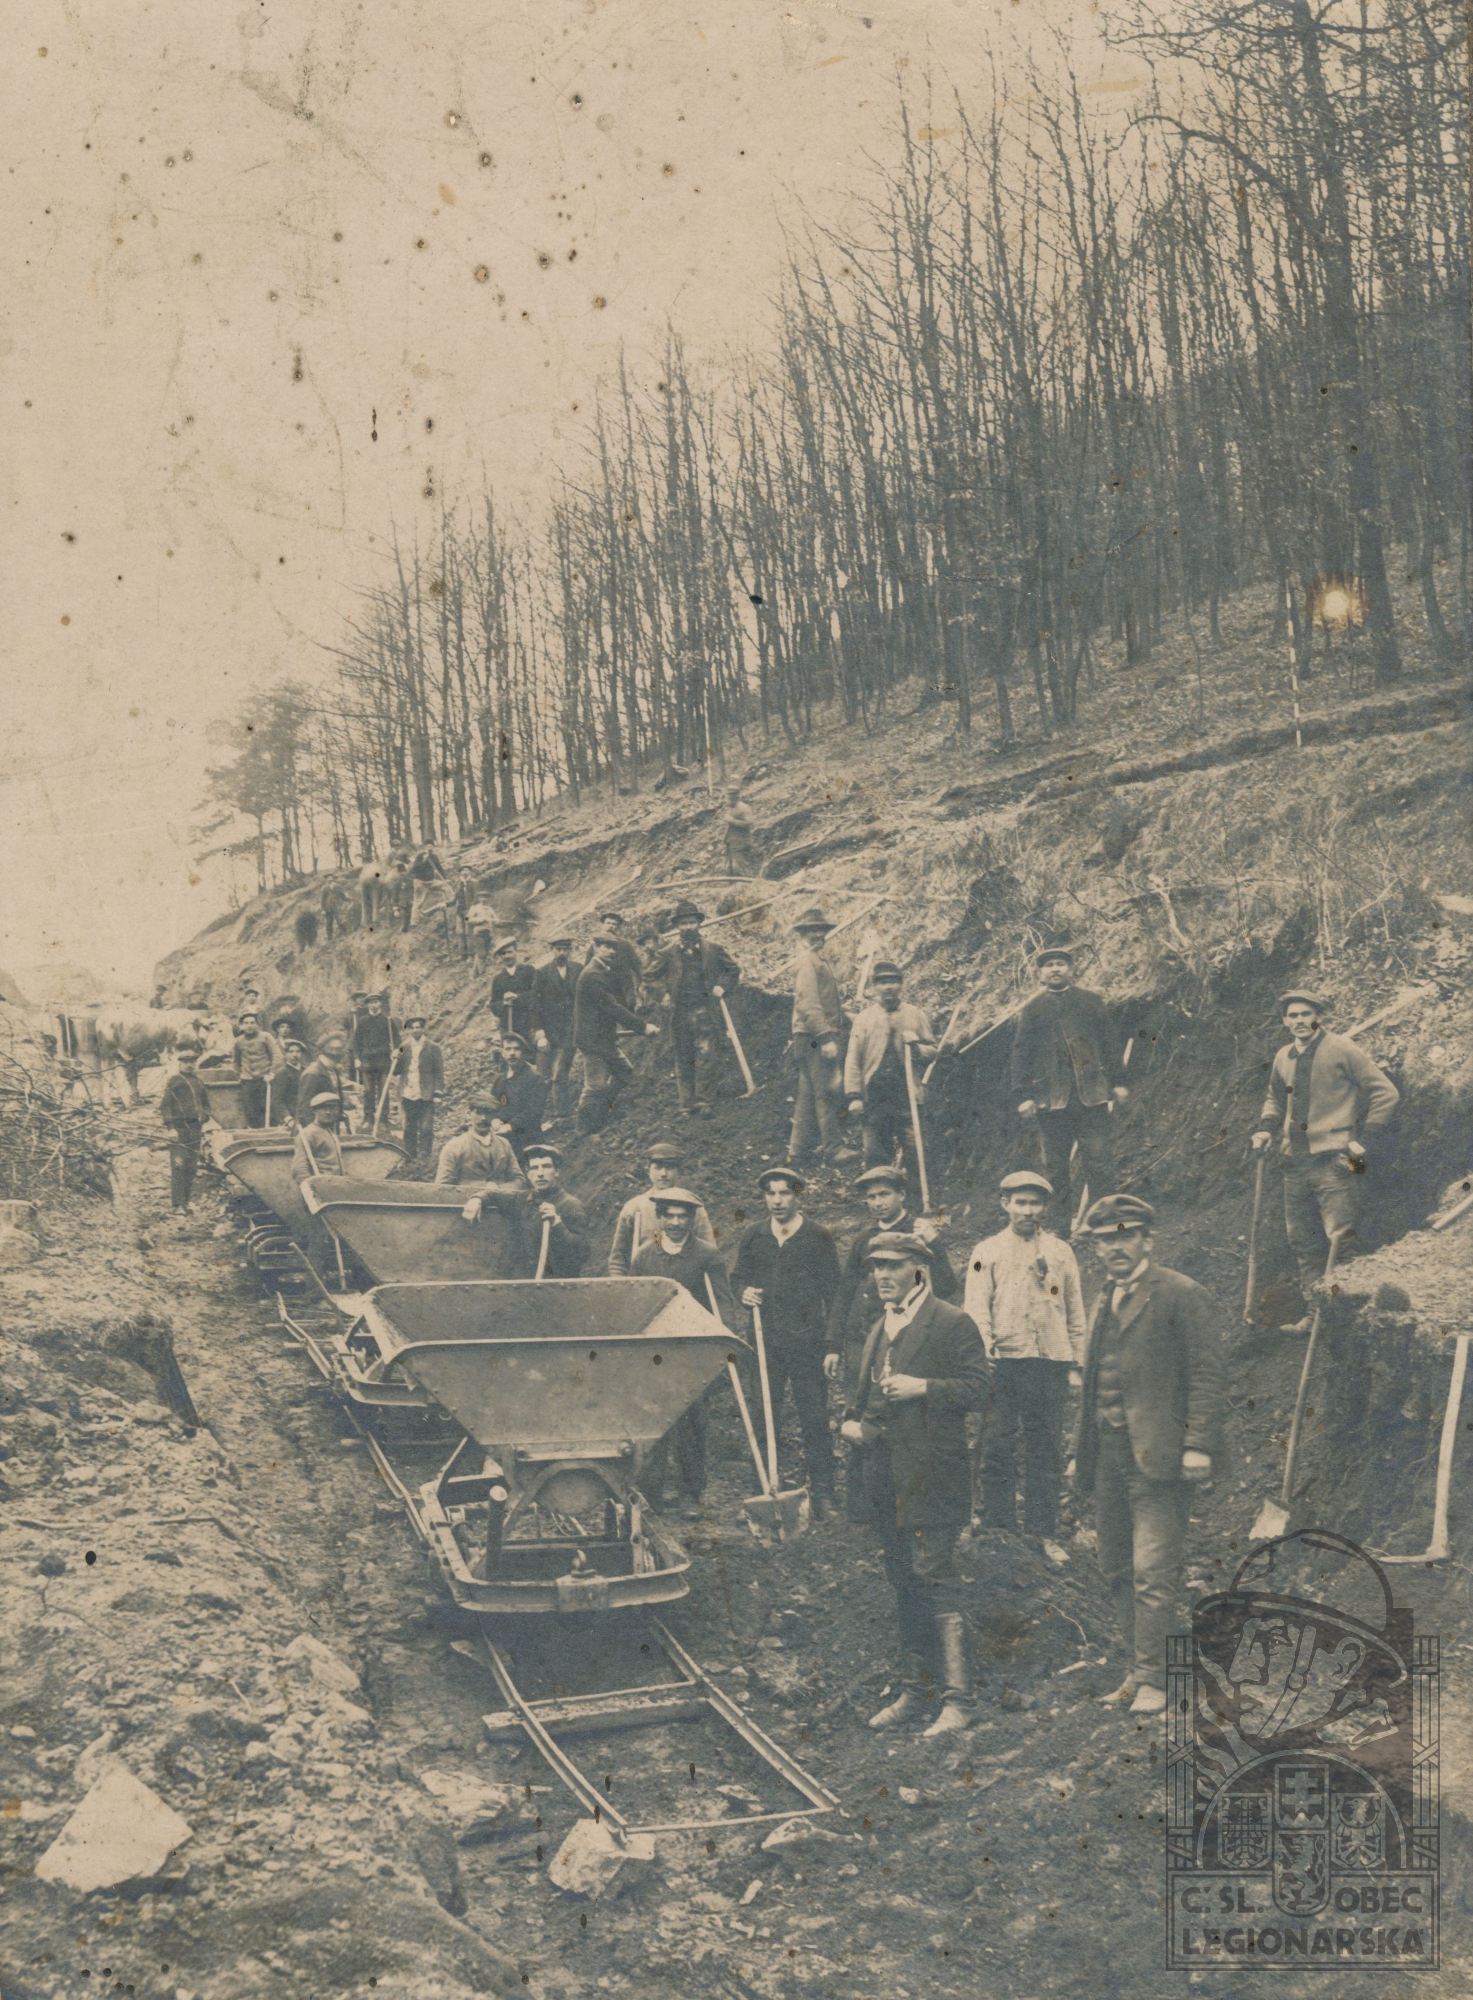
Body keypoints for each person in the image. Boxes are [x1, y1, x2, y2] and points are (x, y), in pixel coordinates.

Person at [1072, 1194, 1225, 1717]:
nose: (1114, 1248)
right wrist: (1080, 1450)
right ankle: (1138, 1671)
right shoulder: (1102, 1297)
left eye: (1125, 1236)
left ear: (1147, 1240)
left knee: (1153, 1571)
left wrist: (1197, 1444)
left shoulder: (1181, 1293)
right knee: (1115, 1565)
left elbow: (1207, 1374)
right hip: (1108, 1454)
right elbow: (1095, 1380)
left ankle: (1157, 1680)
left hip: (1160, 1456)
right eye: (1104, 1240)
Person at [841, 1233, 989, 1738]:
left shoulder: (951, 1322)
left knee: (935, 1576)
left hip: (933, 1476)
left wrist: (924, 1387)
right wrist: (855, 1425)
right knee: (904, 1580)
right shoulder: (879, 1326)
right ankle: (916, 1691)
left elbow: (980, 1389)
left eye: (893, 1266)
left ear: (919, 1270)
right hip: (885, 1477)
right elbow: (870, 1401)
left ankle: (959, 1699)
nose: (882, 1276)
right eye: (876, 1267)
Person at [1251, 989, 1399, 1328]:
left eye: (1306, 1014)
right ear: (1284, 1021)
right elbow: (1274, 1097)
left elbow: (1386, 1093)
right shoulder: (1283, 1057)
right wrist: (1265, 1129)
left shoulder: (1342, 1049)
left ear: (1318, 1017)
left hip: (1339, 1161)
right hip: (1295, 1164)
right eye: (1293, 1015)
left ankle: (1345, 1321)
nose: (1300, 1021)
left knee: (1342, 1240)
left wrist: (1365, 1141)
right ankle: (1315, 1316)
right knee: (1303, 1243)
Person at [965, 1170, 1086, 1541]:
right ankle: (1000, 1527)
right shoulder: (985, 1252)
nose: (1028, 1211)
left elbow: (1074, 1307)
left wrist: (1077, 1362)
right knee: (997, 1443)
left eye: (1035, 1203)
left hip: (1049, 1362)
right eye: (1020, 1202)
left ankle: (1040, 1531)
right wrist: (984, 1349)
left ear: (1045, 1207)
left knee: (1045, 1448)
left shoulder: (1061, 1252)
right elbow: (976, 1305)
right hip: (1005, 1361)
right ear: (1006, 1204)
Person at [731, 1166, 842, 1515]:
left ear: (797, 1196)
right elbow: (738, 1278)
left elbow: (835, 1293)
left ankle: (823, 1492)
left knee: (814, 1417)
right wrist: (743, 1292)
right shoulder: (754, 1236)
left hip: (807, 1344)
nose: (777, 1201)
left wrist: (832, 1345)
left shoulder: (817, 1237)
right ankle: (763, 1488)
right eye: (770, 1193)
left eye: (784, 1193)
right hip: (765, 1343)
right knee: (764, 1415)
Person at [632, 1188, 734, 1516]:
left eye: (682, 1217)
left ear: (692, 1220)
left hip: (692, 1351)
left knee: (691, 1424)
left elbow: (722, 1304)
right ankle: (651, 1491)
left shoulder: (707, 1256)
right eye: (670, 1216)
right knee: (654, 1422)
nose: (676, 1223)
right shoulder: (644, 1256)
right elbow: (635, 1304)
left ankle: (691, 1493)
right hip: (655, 1351)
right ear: (660, 1218)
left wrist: (722, 1342)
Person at [1009, 942, 1128, 1223]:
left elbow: (1110, 1044)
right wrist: (1023, 1096)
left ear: (1071, 969)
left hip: (1092, 1097)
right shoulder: (1033, 1009)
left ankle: (1104, 1224)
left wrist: (1118, 1081)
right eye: (1049, 965)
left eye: (1060, 964)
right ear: (1040, 973)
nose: (1055, 969)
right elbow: (1021, 1053)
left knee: (1099, 1162)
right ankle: (1059, 1227)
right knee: (1056, 1168)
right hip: (1052, 1102)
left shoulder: (1090, 1002)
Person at [824, 1164, 958, 1389]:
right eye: (871, 1197)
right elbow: (845, 1293)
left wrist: (934, 1242)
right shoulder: (864, 1239)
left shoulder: (919, 1232)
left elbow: (946, 1286)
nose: (878, 1203)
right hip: (866, 1336)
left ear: (901, 1195)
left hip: (909, 1338)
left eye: (884, 1194)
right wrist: (833, 1346)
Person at [647, 902, 741, 1117]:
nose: (688, 927)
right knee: (683, 1055)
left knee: (707, 1054)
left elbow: (733, 970)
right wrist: (663, 994)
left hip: (705, 1011)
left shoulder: (713, 949)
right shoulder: (667, 953)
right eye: (683, 923)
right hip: (679, 1013)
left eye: (691, 922)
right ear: (677, 926)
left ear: (699, 923)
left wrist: (722, 986)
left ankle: (704, 1101)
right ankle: (686, 1104)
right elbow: (649, 976)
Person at [844, 962, 937, 1175]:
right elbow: (853, 1059)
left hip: (906, 1095)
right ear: (874, 987)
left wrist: (916, 1048)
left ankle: (915, 1193)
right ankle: (881, 1192)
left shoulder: (915, 1015)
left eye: (893, 981)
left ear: (901, 985)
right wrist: (854, 1096)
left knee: (916, 1152)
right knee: (875, 1154)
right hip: (875, 1097)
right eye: (883, 982)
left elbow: (933, 1051)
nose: (888, 987)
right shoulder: (864, 1019)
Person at [574, 934, 661, 1133]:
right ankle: (583, 1128)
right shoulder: (592, 975)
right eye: (606, 947)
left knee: (624, 1072)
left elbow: (616, 1003)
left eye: (614, 948)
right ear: (595, 947)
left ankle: (601, 1109)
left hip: (604, 1038)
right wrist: (643, 1027)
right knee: (594, 1085)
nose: (611, 951)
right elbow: (611, 1007)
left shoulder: (603, 971)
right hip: (593, 1041)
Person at [787, 908, 850, 1164]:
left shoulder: (815, 960)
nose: (817, 935)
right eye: (811, 931)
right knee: (826, 1091)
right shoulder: (808, 962)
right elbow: (808, 1003)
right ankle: (834, 1149)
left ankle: (797, 1151)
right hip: (814, 1037)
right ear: (802, 934)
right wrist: (825, 1036)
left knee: (806, 1095)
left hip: (806, 1037)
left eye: (820, 930)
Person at [608, 1141, 717, 1274]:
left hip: (685, 1281)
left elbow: (710, 1254)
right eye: (658, 1167)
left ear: (678, 1171)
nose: (664, 1173)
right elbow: (618, 1259)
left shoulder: (693, 1207)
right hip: (646, 1281)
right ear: (649, 1170)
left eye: (669, 1168)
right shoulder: (634, 1207)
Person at [520, 1143, 590, 1277]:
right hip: (528, 1283)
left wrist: (558, 1224)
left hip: (560, 1284)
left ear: (556, 1171)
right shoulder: (523, 1200)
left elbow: (582, 1253)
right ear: (528, 1174)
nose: (540, 1174)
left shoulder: (571, 1205)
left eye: (546, 1166)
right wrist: (479, 1198)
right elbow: (495, 1195)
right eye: (534, 1168)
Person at [531, 936, 581, 1121]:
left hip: (569, 1031)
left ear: (570, 951)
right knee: (542, 1075)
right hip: (548, 1031)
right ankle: (537, 1115)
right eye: (558, 949)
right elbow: (535, 1004)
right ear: (552, 950)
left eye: (565, 949)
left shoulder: (578, 969)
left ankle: (562, 1114)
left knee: (560, 1073)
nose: (562, 953)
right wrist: (539, 1032)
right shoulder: (542, 973)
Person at [160, 1042, 213, 1216]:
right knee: (178, 1166)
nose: (189, 1065)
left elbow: (206, 1104)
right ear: (180, 1063)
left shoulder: (198, 1081)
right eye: (186, 1062)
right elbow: (165, 1105)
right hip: (179, 1129)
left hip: (195, 1129)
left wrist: (205, 1116)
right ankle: (177, 1205)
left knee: (191, 1167)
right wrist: (170, 1128)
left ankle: (186, 1202)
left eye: (192, 1061)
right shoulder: (174, 1081)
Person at [434, 1096, 525, 1193]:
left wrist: (499, 1189)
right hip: (465, 1201)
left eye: (488, 1113)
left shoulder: (504, 1144)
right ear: (469, 1114)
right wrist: (482, 1188)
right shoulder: (454, 1146)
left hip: (501, 1200)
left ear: (495, 1117)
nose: (483, 1118)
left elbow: (519, 1179)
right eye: (478, 1112)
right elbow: (442, 1187)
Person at [393, 1014, 444, 1160]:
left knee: (426, 1127)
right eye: (413, 1028)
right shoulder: (403, 1047)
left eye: (418, 1027)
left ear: (423, 1029)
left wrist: (438, 1093)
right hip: (408, 1092)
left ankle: (424, 1155)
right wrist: (394, 1058)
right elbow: (396, 1070)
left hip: (426, 1092)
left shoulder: (433, 1047)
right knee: (409, 1127)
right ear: (409, 1030)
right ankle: (410, 1155)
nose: (415, 1030)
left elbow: (439, 1072)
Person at [493, 1034, 549, 1159]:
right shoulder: (500, 1080)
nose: (512, 1053)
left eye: (516, 1049)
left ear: (522, 1052)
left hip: (528, 1139)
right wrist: (494, 1119)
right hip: (503, 1141)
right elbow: (493, 1104)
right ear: (503, 1053)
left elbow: (534, 1111)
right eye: (508, 1049)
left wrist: (511, 1126)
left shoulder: (534, 1078)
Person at [352, 994, 396, 1130]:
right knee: (368, 1091)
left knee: (384, 1091)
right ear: (367, 1005)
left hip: (383, 1061)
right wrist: (356, 1058)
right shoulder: (362, 1021)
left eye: (376, 1002)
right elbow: (356, 1042)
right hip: (367, 1062)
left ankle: (383, 1120)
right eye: (371, 1003)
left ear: (380, 1004)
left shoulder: (388, 1021)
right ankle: (368, 1119)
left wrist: (396, 1052)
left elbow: (398, 1042)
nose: (373, 1005)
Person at [233, 1012, 283, 1129]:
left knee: (268, 1109)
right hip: (247, 1080)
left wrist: (271, 1073)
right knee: (250, 1110)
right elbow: (235, 1061)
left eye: (252, 1023)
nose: (249, 1025)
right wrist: (239, 1075)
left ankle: (271, 1133)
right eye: (246, 1023)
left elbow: (277, 1056)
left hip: (265, 1079)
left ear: (257, 1025)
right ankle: (254, 1132)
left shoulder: (266, 1037)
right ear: (242, 1026)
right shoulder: (238, 1041)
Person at [298, 1030, 355, 1129]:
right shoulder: (312, 1073)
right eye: (332, 1048)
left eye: (339, 1049)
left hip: (329, 1125)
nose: (335, 1052)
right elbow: (304, 1109)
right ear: (322, 1050)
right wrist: (313, 1131)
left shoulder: (333, 1070)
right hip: (313, 1129)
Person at [490, 938, 537, 1045]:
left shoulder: (529, 971)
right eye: (503, 954)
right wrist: (504, 1003)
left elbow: (537, 994)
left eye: (510, 952)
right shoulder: (498, 979)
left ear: (516, 952)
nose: (507, 956)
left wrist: (518, 997)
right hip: (508, 1027)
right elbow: (493, 1005)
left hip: (528, 1024)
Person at [291, 1093, 345, 1183]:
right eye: (323, 1108)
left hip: (336, 1185)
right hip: (322, 1186)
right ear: (314, 1111)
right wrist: (311, 1188)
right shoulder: (308, 1134)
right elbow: (299, 1169)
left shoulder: (329, 1132)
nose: (328, 1112)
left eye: (332, 1108)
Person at [598, 910, 644, 1010]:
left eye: (614, 924)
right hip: (606, 992)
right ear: (602, 925)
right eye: (608, 923)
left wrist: (643, 985)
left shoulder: (625, 945)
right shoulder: (595, 946)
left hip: (625, 992)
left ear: (617, 927)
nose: (611, 926)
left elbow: (637, 966)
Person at [267, 1039, 309, 1128]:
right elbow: (277, 1100)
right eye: (291, 1051)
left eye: (298, 1051)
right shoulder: (282, 1073)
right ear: (285, 1054)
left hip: (306, 1115)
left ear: (302, 1054)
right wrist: (288, 1118)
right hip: (291, 1117)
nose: (295, 1055)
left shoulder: (306, 1071)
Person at [723, 786, 759, 878]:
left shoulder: (744, 808)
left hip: (741, 842)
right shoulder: (731, 808)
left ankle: (748, 883)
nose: (728, 798)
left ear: (736, 796)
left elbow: (749, 824)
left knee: (741, 867)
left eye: (731, 796)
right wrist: (725, 838)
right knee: (730, 868)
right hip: (732, 843)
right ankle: (733, 884)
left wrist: (732, 821)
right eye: (728, 796)